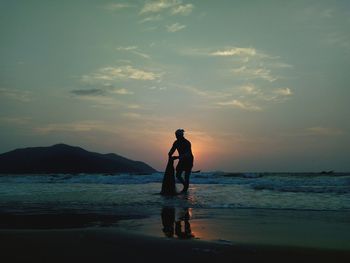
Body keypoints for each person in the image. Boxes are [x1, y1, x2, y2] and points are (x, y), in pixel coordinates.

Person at [168, 129, 194, 193]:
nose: (176, 136)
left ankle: (185, 189)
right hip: (181, 159)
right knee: (178, 175)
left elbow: (187, 154)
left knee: (186, 176)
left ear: (181, 135)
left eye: (177, 135)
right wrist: (170, 154)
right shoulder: (176, 142)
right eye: (175, 135)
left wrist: (177, 157)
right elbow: (172, 150)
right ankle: (185, 185)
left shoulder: (187, 142)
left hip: (189, 160)